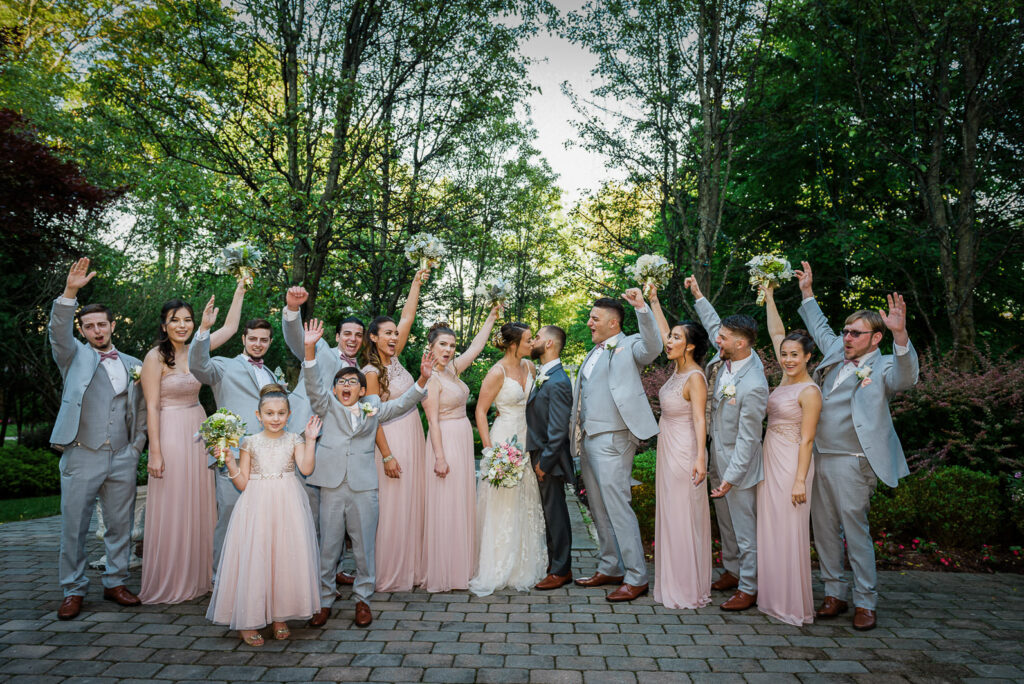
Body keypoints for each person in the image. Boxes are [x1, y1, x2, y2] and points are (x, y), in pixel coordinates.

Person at [795, 262, 918, 631]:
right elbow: (818, 327)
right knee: (824, 528)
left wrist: (900, 337)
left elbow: (907, 379)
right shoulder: (836, 351)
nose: (847, 337)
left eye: (856, 333)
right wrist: (806, 292)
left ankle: (866, 601)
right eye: (846, 331)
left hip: (854, 461)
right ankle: (834, 593)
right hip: (818, 457)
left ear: (875, 339)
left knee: (854, 529)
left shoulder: (883, 367)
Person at [301, 319, 433, 628]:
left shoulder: (372, 407)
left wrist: (423, 381)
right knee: (329, 547)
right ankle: (324, 601)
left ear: (363, 390)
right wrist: (309, 349)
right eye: (341, 383)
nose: (346, 387)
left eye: (352, 383)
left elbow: (401, 405)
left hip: (364, 487)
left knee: (363, 548)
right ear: (334, 388)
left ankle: (363, 600)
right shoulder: (327, 406)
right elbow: (312, 384)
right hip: (331, 485)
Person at [48, 257, 148, 620]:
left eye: (101, 324)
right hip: (81, 452)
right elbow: (58, 332)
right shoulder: (72, 356)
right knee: (74, 526)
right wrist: (70, 292)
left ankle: (115, 581)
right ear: (83, 330)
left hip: (122, 455)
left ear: (112, 325)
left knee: (120, 525)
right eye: (88, 326)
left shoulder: (133, 363)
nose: (96, 331)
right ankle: (73, 589)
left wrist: (136, 447)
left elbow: (143, 410)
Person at [138, 287, 246, 605]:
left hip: (198, 432)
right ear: (164, 325)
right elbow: (152, 408)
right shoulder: (154, 358)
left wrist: (238, 289)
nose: (182, 325)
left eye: (188, 319)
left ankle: (201, 575)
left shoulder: (199, 346)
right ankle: (172, 577)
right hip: (169, 432)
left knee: (200, 502)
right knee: (174, 502)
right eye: (176, 320)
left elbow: (231, 329)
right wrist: (154, 452)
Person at [206, 386, 321, 646]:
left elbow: (306, 467)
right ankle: (248, 621)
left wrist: (311, 440)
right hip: (257, 504)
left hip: (288, 503)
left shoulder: (295, 440)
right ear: (258, 415)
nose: (275, 418)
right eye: (269, 413)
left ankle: (279, 615)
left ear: (289, 415)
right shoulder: (250, 442)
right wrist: (230, 462)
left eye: (281, 413)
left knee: (282, 558)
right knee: (257, 558)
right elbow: (243, 483)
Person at [570, 289, 662, 602]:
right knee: (597, 506)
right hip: (589, 439)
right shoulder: (592, 352)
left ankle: (637, 577)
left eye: (595, 318)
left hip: (615, 436)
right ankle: (611, 566)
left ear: (614, 323)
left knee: (618, 506)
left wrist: (643, 309)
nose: (589, 323)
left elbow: (653, 346)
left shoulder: (630, 344)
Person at [687, 275, 769, 612]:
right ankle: (732, 571)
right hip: (716, 457)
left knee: (746, 529)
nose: (716, 340)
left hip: (740, 467)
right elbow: (712, 324)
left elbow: (751, 439)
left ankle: (749, 587)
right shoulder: (726, 361)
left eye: (724, 338)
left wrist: (730, 478)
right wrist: (698, 295)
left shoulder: (755, 384)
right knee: (727, 524)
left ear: (743, 342)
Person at [189, 307, 282, 583]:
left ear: (270, 342)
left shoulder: (273, 376)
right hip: (232, 454)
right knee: (229, 518)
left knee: (262, 522)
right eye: (253, 338)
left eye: (264, 340)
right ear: (243, 339)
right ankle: (222, 581)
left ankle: (256, 579)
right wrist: (204, 329)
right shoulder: (223, 366)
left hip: (268, 459)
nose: (258, 344)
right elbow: (197, 365)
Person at [282, 291, 366, 584]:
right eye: (347, 333)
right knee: (308, 512)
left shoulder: (362, 373)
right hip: (308, 441)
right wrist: (293, 309)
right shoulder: (322, 352)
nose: (352, 339)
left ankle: (331, 571)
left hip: (337, 451)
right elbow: (296, 340)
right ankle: (307, 576)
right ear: (338, 335)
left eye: (358, 335)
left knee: (333, 516)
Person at [421, 308, 501, 593]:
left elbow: (477, 346)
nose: (448, 349)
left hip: (462, 439)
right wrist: (440, 457)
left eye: (452, 345)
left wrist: (492, 316)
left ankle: (461, 566)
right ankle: (445, 570)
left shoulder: (453, 370)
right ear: (430, 347)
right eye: (442, 344)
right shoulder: (431, 378)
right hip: (444, 442)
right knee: (446, 504)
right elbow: (432, 420)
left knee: (460, 502)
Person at [757, 285, 821, 626]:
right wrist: (769, 297)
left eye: (795, 355)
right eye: (784, 354)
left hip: (794, 464)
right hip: (771, 458)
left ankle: (793, 604)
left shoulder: (810, 391)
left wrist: (800, 481)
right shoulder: (783, 379)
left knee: (790, 529)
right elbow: (777, 332)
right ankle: (773, 598)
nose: (788, 359)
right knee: (771, 527)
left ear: (808, 356)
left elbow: (808, 440)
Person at [468, 322, 548, 596]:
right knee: (503, 502)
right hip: (503, 441)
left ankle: (523, 564)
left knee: (524, 500)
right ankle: (498, 564)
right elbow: (480, 411)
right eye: (528, 339)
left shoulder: (530, 368)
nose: (533, 343)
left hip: (527, 440)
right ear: (513, 344)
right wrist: (490, 451)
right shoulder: (496, 372)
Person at [362, 270, 428, 591]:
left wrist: (415, 282)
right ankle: (390, 572)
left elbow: (407, 315)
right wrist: (386, 455)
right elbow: (372, 418)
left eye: (394, 333)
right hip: (390, 442)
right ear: (372, 337)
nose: (393, 337)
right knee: (393, 508)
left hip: (413, 436)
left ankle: (412, 568)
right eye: (386, 333)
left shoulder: (396, 358)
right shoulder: (371, 372)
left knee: (412, 502)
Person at [648, 288, 713, 610]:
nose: (668, 341)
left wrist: (701, 458)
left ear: (689, 345)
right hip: (667, 445)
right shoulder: (677, 369)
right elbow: (663, 333)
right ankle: (672, 579)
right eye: (669, 337)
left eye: (675, 338)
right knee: (671, 514)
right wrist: (654, 301)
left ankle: (687, 586)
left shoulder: (695, 378)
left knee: (683, 514)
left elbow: (701, 420)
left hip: (685, 450)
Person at [525, 325, 575, 590]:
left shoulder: (558, 381)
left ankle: (561, 569)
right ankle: (556, 564)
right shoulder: (544, 375)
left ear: (549, 345)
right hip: (542, 454)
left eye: (537, 338)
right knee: (550, 511)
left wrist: (544, 463)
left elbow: (558, 431)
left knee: (555, 512)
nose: (533, 341)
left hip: (549, 459)